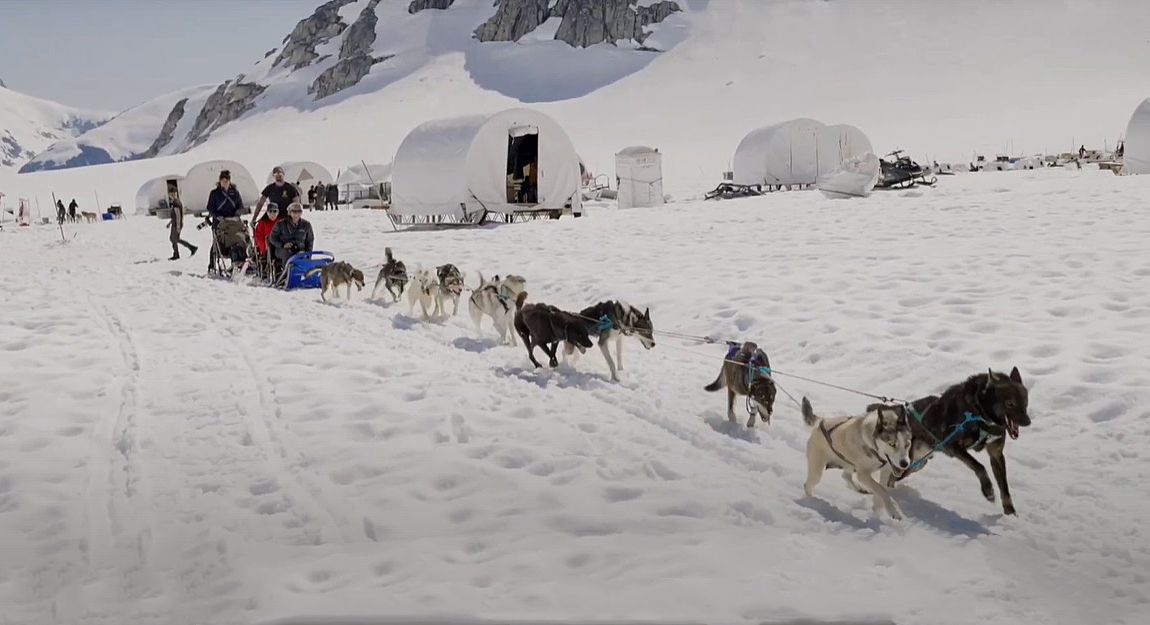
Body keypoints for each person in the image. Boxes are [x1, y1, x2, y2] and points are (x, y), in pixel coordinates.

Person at [206, 170, 247, 270]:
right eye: (222, 180)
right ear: (219, 181)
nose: (224, 182)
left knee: (239, 238)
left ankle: (241, 260)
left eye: (226, 180)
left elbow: (240, 206)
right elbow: (210, 208)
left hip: (234, 222)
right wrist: (217, 216)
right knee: (217, 243)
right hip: (219, 222)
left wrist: (237, 214)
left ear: (229, 181)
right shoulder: (215, 193)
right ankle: (211, 265)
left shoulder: (235, 193)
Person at [268, 202, 314, 272]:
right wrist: (283, 244)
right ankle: (287, 274)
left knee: (303, 255)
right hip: (283, 249)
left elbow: (310, 240)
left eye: (299, 212)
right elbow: (272, 238)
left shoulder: (306, 225)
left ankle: (305, 273)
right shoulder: (281, 224)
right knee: (288, 254)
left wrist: (308, 252)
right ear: (289, 212)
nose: (296, 214)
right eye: (294, 212)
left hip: (300, 249)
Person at [252, 203, 282, 278]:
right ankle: (265, 271)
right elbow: (259, 238)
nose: (272, 214)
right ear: (267, 213)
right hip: (266, 247)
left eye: (275, 211)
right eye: (270, 212)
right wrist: (264, 247)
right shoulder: (262, 223)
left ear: (278, 212)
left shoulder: (281, 222)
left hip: (279, 246)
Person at [166, 195, 198, 260]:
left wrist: (178, 226)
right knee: (174, 239)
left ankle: (190, 248)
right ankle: (178, 253)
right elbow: (175, 216)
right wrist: (170, 223)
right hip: (175, 224)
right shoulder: (175, 203)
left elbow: (178, 216)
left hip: (177, 224)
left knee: (174, 239)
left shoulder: (176, 203)